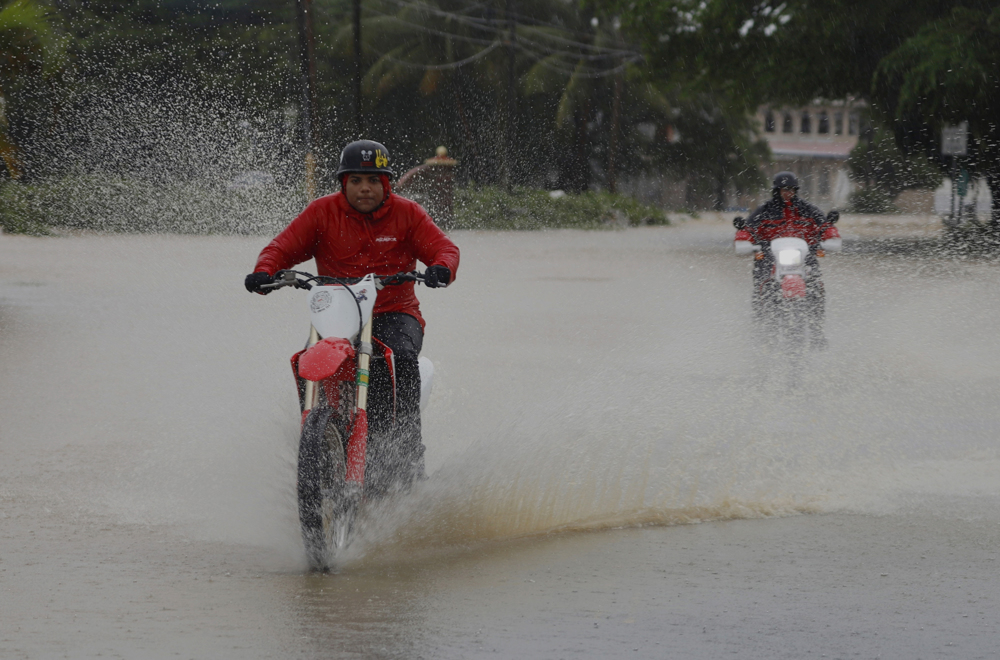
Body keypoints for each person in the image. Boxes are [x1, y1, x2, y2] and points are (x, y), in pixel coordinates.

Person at [244, 139, 460, 496]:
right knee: (306, 363)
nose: (365, 188)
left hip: (395, 311)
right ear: (343, 183)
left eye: (374, 180)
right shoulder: (320, 212)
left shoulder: (409, 213)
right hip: (336, 313)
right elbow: (281, 248)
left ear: (386, 184)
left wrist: (441, 268)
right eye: (356, 180)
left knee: (398, 361)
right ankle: (315, 447)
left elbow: (444, 248)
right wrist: (265, 272)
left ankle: (404, 453)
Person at [742, 171, 832, 349]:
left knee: (816, 287)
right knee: (762, 285)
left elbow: (825, 226)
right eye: (783, 190)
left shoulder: (808, 209)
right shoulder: (764, 211)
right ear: (776, 191)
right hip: (769, 258)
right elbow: (748, 230)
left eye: (790, 189)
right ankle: (763, 331)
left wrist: (831, 237)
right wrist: (744, 241)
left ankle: (816, 331)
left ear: (795, 190)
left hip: (803, 258)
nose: (787, 193)